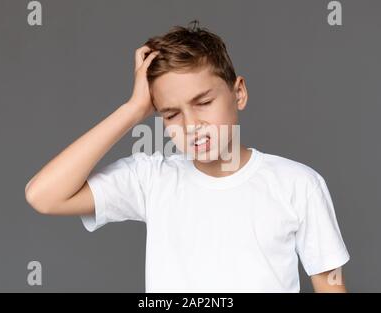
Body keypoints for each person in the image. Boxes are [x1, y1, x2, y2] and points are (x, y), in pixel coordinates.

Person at [25, 20, 350, 292]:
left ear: (239, 93)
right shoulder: (152, 180)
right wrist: (132, 110)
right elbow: (44, 196)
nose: (192, 125)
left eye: (203, 102)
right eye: (171, 114)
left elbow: (330, 284)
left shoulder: (297, 184)